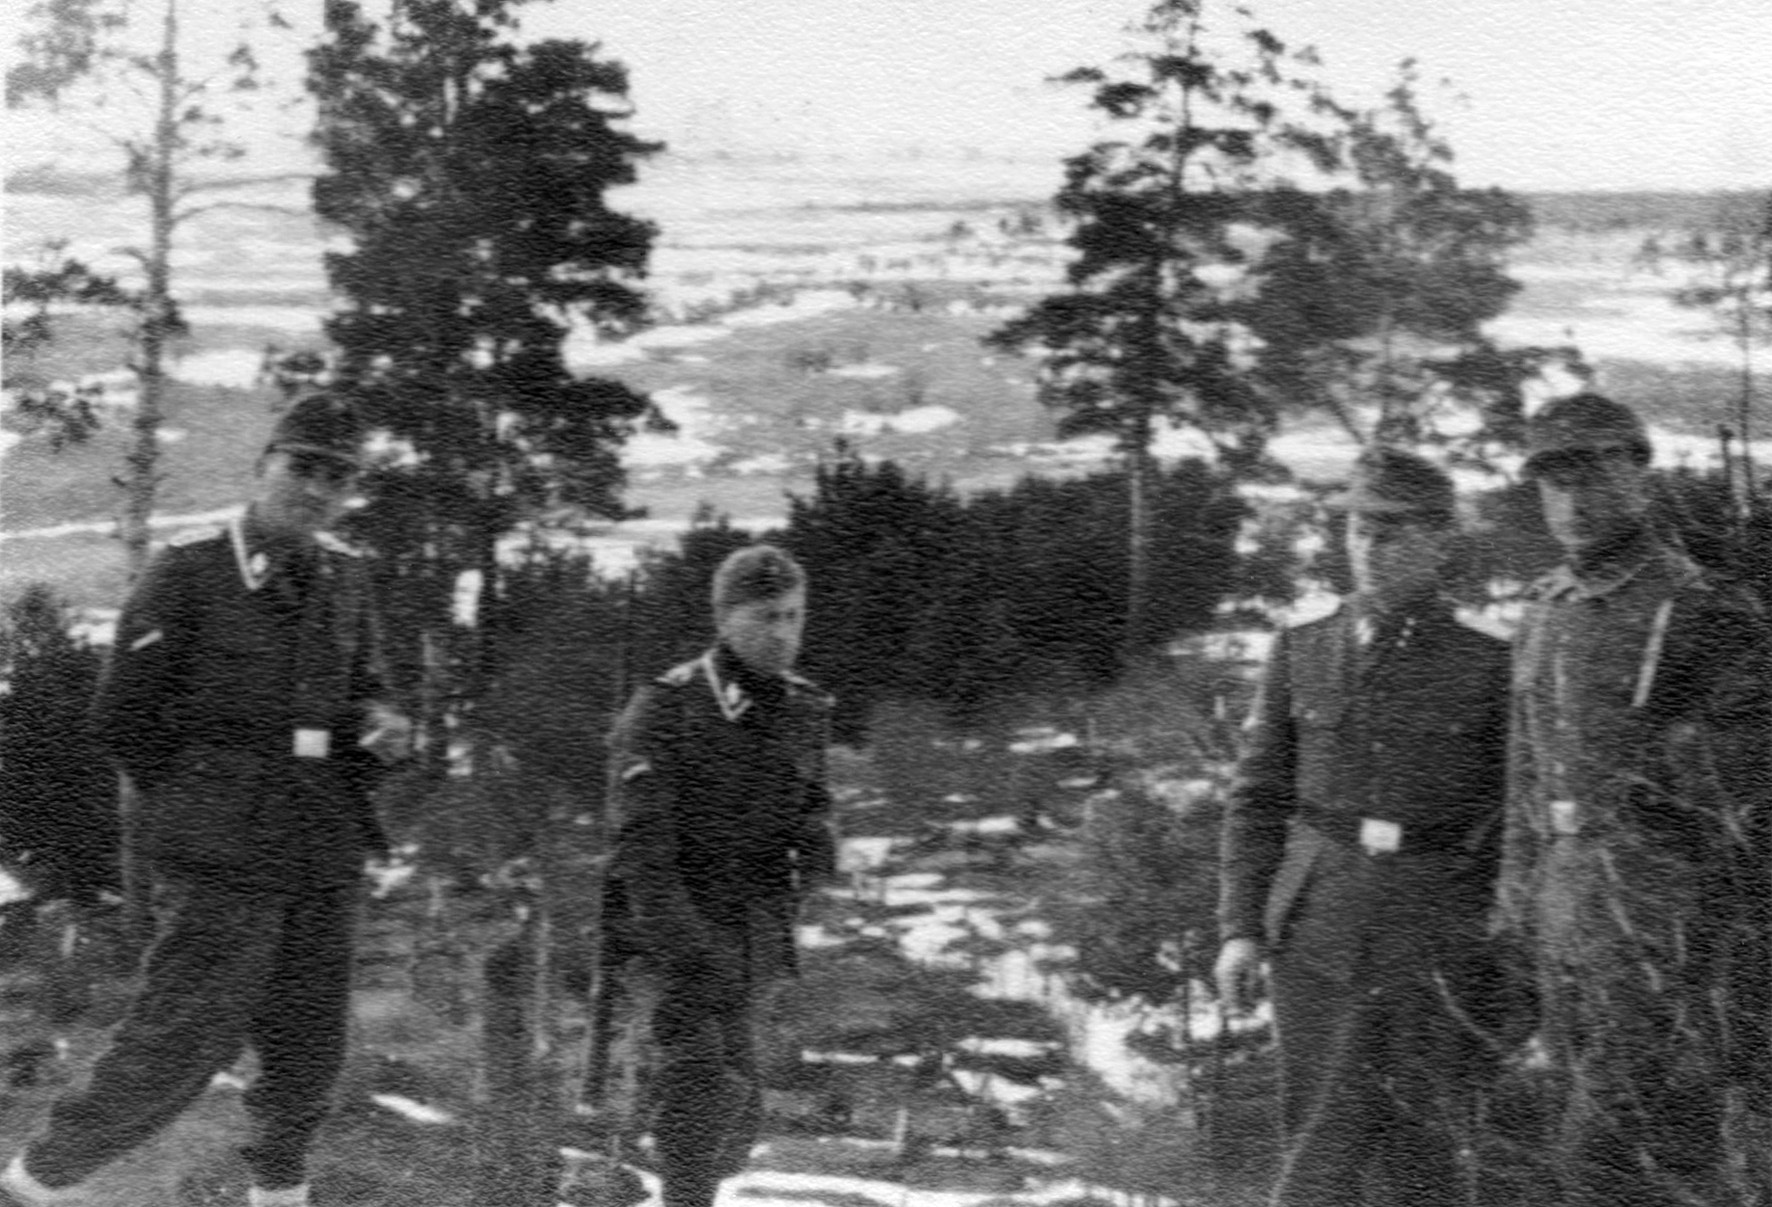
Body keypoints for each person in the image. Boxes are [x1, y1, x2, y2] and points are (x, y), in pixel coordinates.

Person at [1, 394, 410, 1207]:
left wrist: (382, 722)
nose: (317, 489)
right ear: (263, 467)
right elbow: (124, 718)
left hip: (320, 842)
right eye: (303, 467)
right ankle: (33, 1183)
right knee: (181, 1035)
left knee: (308, 1054)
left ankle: (279, 1196)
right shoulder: (190, 570)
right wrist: (201, 807)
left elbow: (368, 686)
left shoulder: (345, 576)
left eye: (337, 478)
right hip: (222, 848)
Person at [1214, 446, 1514, 1207]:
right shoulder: (1302, 644)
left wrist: (1499, 945)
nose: (1369, 548)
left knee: (1425, 1154)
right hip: (1315, 932)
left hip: (1436, 934)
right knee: (1317, 1136)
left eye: (1391, 531)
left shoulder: (1489, 659)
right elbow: (1257, 798)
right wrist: (1240, 930)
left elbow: (1516, 817)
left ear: (1440, 539)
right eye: (1357, 530)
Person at [1497, 392, 1771, 1206]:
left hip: (1657, 911)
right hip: (1560, 904)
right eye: (1555, 482)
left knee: (1604, 1144)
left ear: (1638, 477)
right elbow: (1523, 771)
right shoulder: (1543, 608)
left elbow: (1745, 778)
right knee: (1580, 1109)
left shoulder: (1698, 605)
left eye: (1592, 476)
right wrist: (1515, 897)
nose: (1573, 501)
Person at [605, 544, 836, 1207]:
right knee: (701, 1084)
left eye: (793, 616)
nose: (783, 633)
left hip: (752, 933)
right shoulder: (668, 706)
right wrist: (688, 949)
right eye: (766, 616)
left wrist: (818, 845)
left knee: (736, 1115)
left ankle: (674, 1163)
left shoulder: (804, 707)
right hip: (667, 929)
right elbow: (641, 850)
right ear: (724, 618)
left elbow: (811, 801)